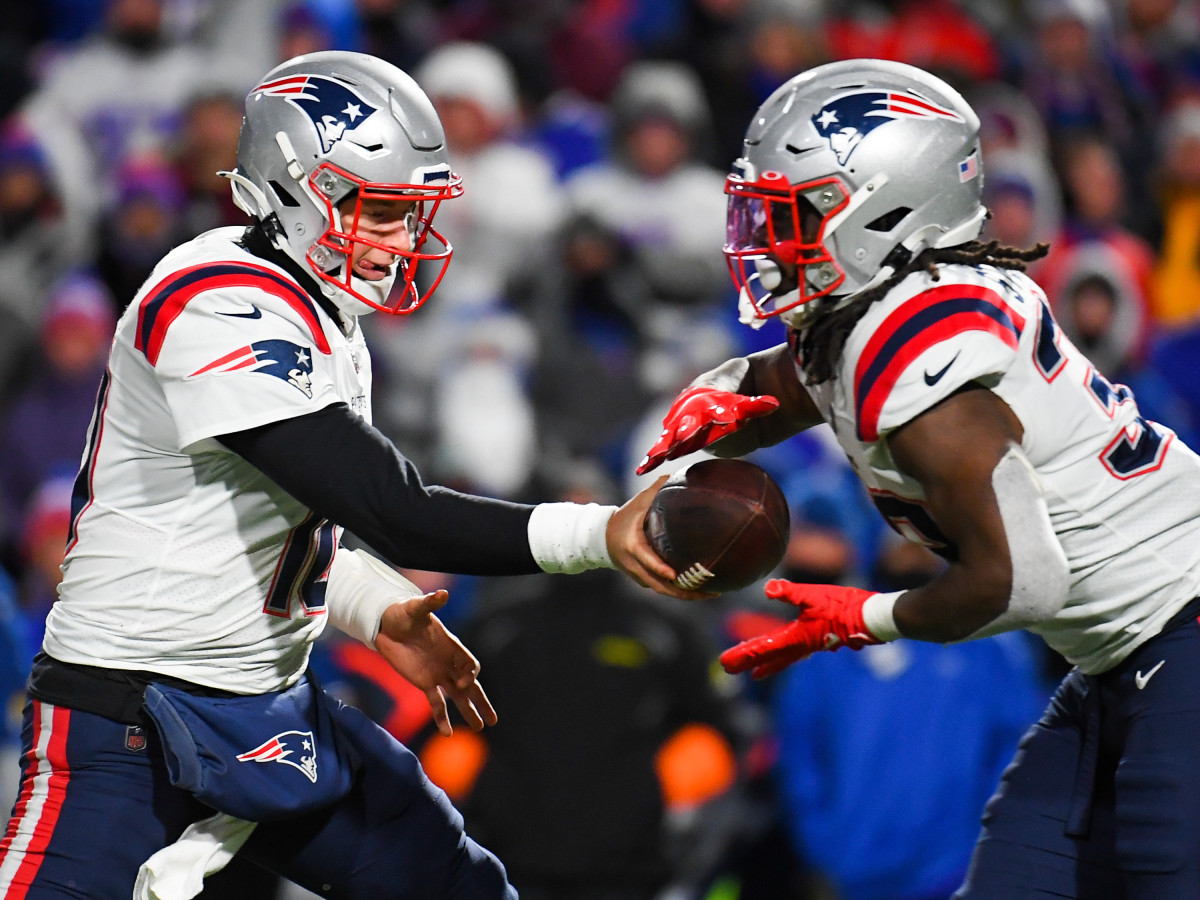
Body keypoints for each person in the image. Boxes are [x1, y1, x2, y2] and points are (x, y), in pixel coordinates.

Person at [0, 50, 698, 900]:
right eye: (380, 210)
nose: (404, 239)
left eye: (411, 214)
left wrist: (371, 607)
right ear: (298, 191)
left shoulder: (320, 309)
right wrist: (595, 533)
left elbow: (280, 513)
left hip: (263, 708)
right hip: (125, 720)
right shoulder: (212, 299)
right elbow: (394, 508)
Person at [637, 58, 1200, 899]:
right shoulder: (882, 311)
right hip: (1119, 656)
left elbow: (1025, 580)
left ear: (888, 208)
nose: (765, 235)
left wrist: (863, 618)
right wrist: (720, 398)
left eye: (797, 211)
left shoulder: (917, 353)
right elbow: (802, 378)